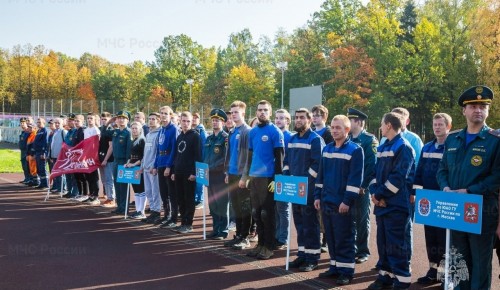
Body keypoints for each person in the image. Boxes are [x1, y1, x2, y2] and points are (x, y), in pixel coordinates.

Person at [437, 85, 500, 290]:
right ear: (464, 110)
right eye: (473, 106)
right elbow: (442, 171)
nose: (478, 110)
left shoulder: (495, 140)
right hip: (455, 209)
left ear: (488, 110)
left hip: (481, 211)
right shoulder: (452, 139)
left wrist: (469, 191)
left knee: (481, 265)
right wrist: (445, 187)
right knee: (460, 263)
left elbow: (497, 177)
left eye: (483, 106)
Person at [314, 115, 363, 285]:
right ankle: (334, 266)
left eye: (338, 128)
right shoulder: (326, 149)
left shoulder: (355, 150)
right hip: (326, 201)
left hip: (342, 204)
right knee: (332, 236)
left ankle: (346, 271)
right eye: (333, 127)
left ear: (347, 130)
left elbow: (355, 180)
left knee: (344, 237)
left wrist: (347, 201)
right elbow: (320, 176)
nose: (334, 131)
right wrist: (317, 196)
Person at [368, 112, 415, 290]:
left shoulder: (404, 147)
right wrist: (374, 193)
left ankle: (402, 280)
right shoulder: (383, 146)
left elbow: (398, 178)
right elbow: (373, 174)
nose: (380, 127)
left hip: (396, 206)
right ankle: (385, 275)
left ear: (388, 125)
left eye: (381, 124)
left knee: (397, 244)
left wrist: (379, 195)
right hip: (382, 205)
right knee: (383, 242)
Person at [414, 113, 452, 286]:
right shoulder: (427, 147)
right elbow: (419, 171)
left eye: (440, 125)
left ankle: (445, 274)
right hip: (427, 200)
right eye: (435, 124)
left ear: (448, 127)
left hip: (445, 201)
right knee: (430, 238)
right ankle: (433, 271)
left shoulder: (453, 148)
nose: (437, 127)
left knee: (444, 238)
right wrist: (414, 192)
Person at [284, 108, 324, 272]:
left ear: (309, 120)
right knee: (299, 224)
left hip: (308, 191)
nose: (298, 120)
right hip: (295, 190)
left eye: (301, 118)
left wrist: (304, 181)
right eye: (296, 117)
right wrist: (287, 175)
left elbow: (318, 164)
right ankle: (302, 254)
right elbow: (286, 161)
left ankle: (312, 258)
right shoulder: (292, 139)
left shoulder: (315, 140)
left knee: (310, 225)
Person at [245, 100, 284, 260]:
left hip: (268, 178)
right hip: (254, 178)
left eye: (265, 110)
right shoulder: (252, 132)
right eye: (260, 110)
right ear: (256, 112)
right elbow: (250, 156)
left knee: (267, 213)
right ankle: (260, 244)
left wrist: (276, 179)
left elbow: (280, 159)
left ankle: (269, 246)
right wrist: (247, 175)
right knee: (256, 213)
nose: (262, 112)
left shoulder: (275, 132)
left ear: (270, 112)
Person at [347, 108, 379, 264]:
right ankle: (350, 248)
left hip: (361, 188)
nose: (348, 123)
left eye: (350, 120)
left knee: (361, 219)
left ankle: (362, 251)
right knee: (348, 218)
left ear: (358, 122)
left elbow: (371, 166)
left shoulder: (369, 139)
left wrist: (364, 185)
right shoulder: (347, 138)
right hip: (348, 187)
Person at [224, 101, 253, 250]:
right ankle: (239, 235)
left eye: (236, 112)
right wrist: (227, 172)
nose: (233, 115)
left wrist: (244, 177)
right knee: (235, 206)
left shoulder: (247, 131)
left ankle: (245, 237)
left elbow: (249, 157)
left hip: (242, 176)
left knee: (244, 207)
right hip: (232, 174)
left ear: (243, 113)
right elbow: (229, 154)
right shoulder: (232, 131)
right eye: (232, 112)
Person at [171, 111, 202, 234]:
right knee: (180, 199)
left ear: (192, 122)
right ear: (180, 121)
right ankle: (183, 222)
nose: (185, 123)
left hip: (189, 174)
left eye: (188, 121)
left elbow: (198, 156)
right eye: (183, 121)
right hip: (178, 172)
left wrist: (195, 173)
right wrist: (173, 171)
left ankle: (188, 224)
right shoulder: (180, 136)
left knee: (189, 199)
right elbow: (177, 155)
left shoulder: (195, 136)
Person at [204, 109, 229, 240]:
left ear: (223, 122)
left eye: (218, 120)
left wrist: (214, 168)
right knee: (212, 203)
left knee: (221, 203)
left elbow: (225, 158)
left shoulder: (225, 138)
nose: (215, 122)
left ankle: (223, 230)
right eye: (213, 120)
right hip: (209, 175)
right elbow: (205, 157)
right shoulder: (209, 138)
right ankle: (215, 228)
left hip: (220, 175)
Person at [311, 104, 333, 252]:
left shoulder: (329, 133)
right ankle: (317, 238)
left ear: (324, 117)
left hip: (324, 176)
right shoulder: (311, 132)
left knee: (324, 210)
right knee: (314, 209)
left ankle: (325, 240)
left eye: (317, 115)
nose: (314, 118)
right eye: (313, 115)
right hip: (313, 177)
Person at [155, 106, 179, 228]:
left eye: (166, 113)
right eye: (162, 113)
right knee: (163, 192)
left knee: (171, 193)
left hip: (168, 164)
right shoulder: (161, 130)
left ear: (170, 115)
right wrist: (155, 165)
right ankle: (166, 215)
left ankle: (173, 218)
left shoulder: (173, 129)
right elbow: (158, 149)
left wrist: (169, 166)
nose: (163, 115)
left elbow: (174, 149)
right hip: (160, 162)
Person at [274, 109, 293, 250]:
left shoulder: (290, 137)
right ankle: (275, 235)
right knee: (274, 208)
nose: (278, 120)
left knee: (282, 209)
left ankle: (283, 238)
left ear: (288, 121)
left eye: (282, 118)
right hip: (272, 177)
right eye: (276, 118)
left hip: (284, 178)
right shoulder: (274, 134)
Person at [141, 112, 162, 224]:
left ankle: (157, 212)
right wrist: (142, 165)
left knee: (155, 191)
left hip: (153, 169)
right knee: (148, 191)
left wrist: (154, 166)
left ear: (158, 120)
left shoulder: (159, 134)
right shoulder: (148, 134)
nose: (151, 121)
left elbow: (157, 152)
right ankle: (152, 211)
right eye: (149, 119)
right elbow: (146, 152)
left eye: (153, 119)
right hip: (145, 168)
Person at [110, 111, 132, 215]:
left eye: (123, 118)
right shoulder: (116, 131)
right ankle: (119, 206)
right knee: (117, 185)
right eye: (119, 118)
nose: (121, 120)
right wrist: (110, 121)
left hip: (123, 162)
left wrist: (127, 162)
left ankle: (124, 207)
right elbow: (104, 132)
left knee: (123, 186)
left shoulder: (128, 132)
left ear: (128, 120)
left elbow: (128, 149)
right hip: (115, 161)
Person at [127, 122, 147, 219]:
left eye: (136, 128)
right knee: (136, 190)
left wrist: (134, 164)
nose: (134, 130)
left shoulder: (142, 140)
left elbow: (144, 156)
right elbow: (131, 156)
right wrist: (128, 163)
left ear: (140, 130)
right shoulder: (133, 140)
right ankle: (137, 210)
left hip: (139, 168)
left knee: (141, 189)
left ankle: (141, 212)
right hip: (132, 168)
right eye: (133, 128)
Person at [82, 113, 101, 205]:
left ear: (95, 120)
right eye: (88, 118)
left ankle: (96, 195)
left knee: (94, 176)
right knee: (88, 175)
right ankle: (91, 195)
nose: (89, 120)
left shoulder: (96, 130)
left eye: (91, 118)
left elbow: (96, 144)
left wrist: (94, 155)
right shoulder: (86, 130)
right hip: (87, 155)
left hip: (93, 156)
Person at [99, 112, 116, 207]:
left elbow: (111, 147)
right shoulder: (102, 129)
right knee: (104, 179)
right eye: (102, 119)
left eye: (106, 119)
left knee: (109, 179)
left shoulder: (110, 131)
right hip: (101, 157)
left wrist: (105, 159)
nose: (104, 121)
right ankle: (108, 197)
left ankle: (111, 198)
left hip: (109, 159)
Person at [192, 112, 208, 210]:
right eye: (192, 117)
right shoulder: (192, 130)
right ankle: (195, 199)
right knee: (194, 182)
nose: (194, 119)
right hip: (193, 161)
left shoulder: (202, 131)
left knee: (200, 182)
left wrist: (203, 160)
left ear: (199, 119)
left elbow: (204, 146)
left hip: (201, 161)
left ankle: (200, 200)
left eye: (196, 118)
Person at [62, 113, 79, 198]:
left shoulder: (76, 132)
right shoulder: (69, 132)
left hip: (74, 157)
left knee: (74, 176)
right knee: (68, 174)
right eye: (68, 120)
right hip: (67, 156)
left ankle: (75, 192)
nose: (69, 122)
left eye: (71, 120)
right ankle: (69, 190)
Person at [49, 118, 66, 194]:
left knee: (61, 173)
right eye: (56, 123)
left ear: (62, 123)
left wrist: (63, 154)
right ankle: (58, 187)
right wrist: (51, 155)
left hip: (61, 156)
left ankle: (63, 188)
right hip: (54, 156)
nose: (56, 124)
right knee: (56, 173)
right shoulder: (55, 132)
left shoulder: (63, 132)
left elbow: (66, 144)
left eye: (58, 123)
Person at [18, 117, 30, 184]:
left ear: (26, 123)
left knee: (27, 166)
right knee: (24, 166)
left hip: (27, 151)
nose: (22, 124)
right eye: (21, 123)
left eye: (23, 123)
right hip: (22, 151)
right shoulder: (23, 132)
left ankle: (29, 179)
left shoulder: (28, 132)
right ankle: (26, 178)